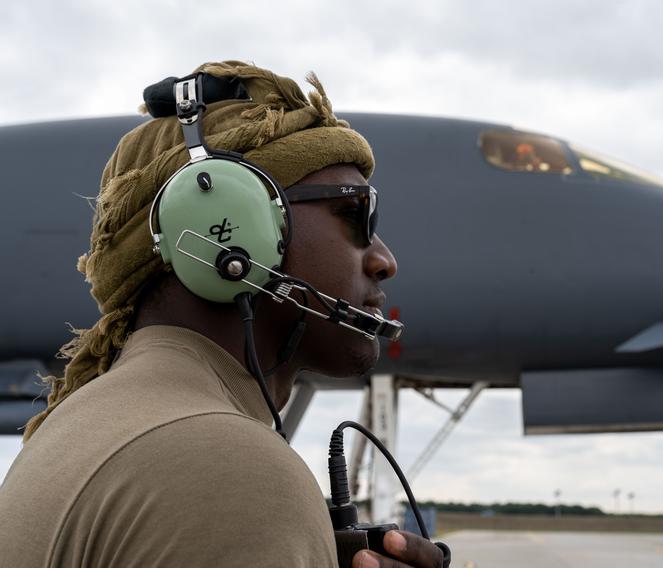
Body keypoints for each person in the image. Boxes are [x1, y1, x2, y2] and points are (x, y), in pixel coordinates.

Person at [0, 61, 444, 568]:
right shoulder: (224, 466)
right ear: (226, 231)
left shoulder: (79, 424)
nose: (384, 261)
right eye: (352, 214)